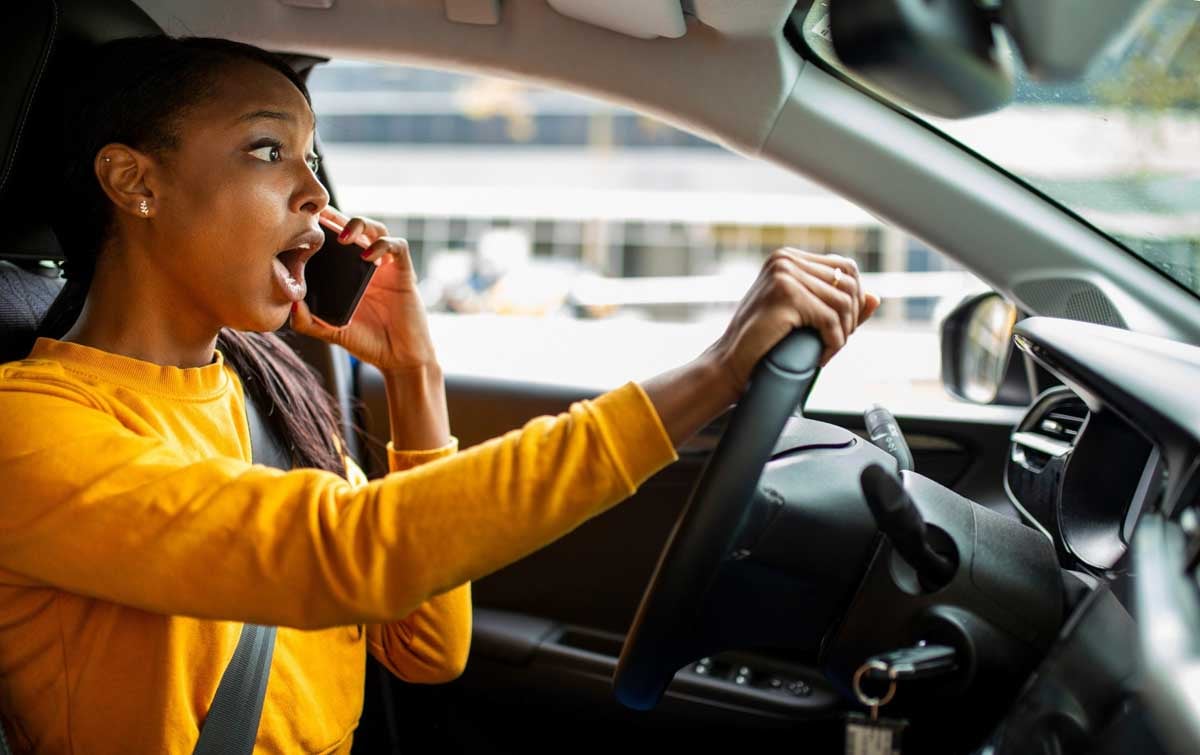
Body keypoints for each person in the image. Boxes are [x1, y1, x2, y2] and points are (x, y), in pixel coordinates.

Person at [0, 36, 879, 754]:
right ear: (134, 183)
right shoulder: (30, 426)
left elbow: (425, 648)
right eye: (270, 151)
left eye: (312, 158)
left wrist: (414, 373)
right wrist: (713, 373)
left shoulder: (257, 395)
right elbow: (342, 551)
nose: (317, 193)